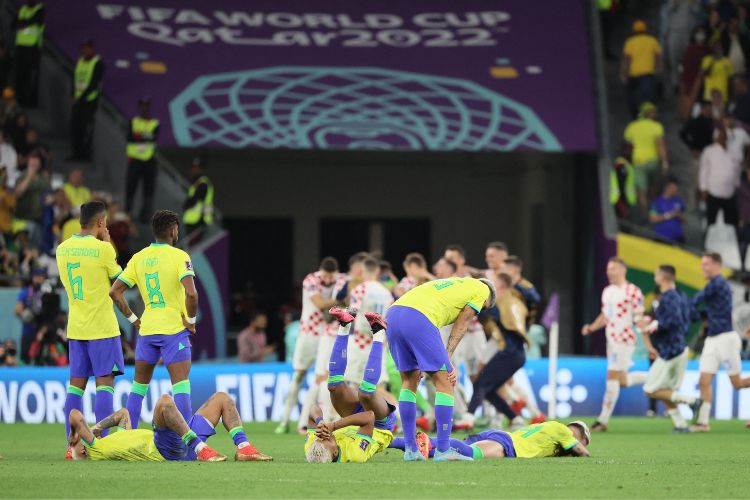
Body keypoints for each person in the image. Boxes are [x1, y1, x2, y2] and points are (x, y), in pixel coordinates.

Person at [386, 275, 496, 461]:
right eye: (483, 308)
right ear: (488, 299)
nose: (479, 312)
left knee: (409, 380)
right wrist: (448, 358)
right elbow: (462, 323)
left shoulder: (458, 283)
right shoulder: (482, 289)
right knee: (445, 381)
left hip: (393, 315)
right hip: (418, 317)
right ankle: (443, 450)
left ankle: (411, 450)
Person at [110, 210, 198, 425]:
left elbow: (114, 291)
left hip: (147, 330)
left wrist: (133, 320)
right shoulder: (180, 256)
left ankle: (126, 440)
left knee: (138, 388)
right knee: (181, 386)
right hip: (173, 330)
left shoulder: (139, 258)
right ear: (173, 230)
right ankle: (187, 446)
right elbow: (192, 293)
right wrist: (191, 321)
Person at [55, 201, 123, 457]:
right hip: (103, 328)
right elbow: (120, 281)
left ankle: (71, 446)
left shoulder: (62, 249)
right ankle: (100, 445)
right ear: (101, 222)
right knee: (104, 386)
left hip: (76, 328)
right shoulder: (102, 250)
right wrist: (107, 243)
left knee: (75, 387)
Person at [304, 308, 396, 463]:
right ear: (334, 453)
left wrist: (320, 422)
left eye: (318, 438)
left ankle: (344, 325)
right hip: (379, 424)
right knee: (365, 393)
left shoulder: (313, 447)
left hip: (352, 416)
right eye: (327, 439)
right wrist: (332, 425)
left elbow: (313, 410)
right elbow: (369, 416)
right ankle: (379, 331)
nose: (323, 436)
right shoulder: (354, 455)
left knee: (334, 387)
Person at [68, 392, 272, 462]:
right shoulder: (95, 450)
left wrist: (98, 427)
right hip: (165, 449)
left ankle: (243, 447)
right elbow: (74, 415)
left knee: (221, 399)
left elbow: (123, 414)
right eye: (78, 442)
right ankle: (200, 448)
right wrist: (73, 435)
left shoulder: (111, 442)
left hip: (179, 441)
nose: (80, 438)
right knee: (164, 402)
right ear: (83, 448)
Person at [275, 257, 341, 434]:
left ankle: (309, 422)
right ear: (320, 271)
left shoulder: (340, 280)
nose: (328, 280)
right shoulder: (311, 280)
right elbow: (319, 304)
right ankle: (284, 420)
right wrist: (341, 299)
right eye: (325, 276)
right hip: (308, 334)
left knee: (322, 378)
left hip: (328, 335)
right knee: (299, 376)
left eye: (331, 277)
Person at [581, 257, 647, 432]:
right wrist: (591, 328)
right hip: (611, 339)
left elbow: (639, 317)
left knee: (611, 377)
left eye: (613, 269)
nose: (609, 272)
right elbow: (605, 316)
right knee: (622, 381)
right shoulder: (607, 291)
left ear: (623, 270)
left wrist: (648, 340)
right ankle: (652, 377)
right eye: (608, 269)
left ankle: (602, 420)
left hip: (623, 340)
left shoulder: (633, 291)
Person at [690, 252, 750, 432]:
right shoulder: (714, 288)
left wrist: (685, 308)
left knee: (737, 384)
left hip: (726, 339)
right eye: (702, 264)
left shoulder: (718, 283)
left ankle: (702, 422)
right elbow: (706, 312)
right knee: (704, 381)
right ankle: (703, 423)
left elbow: (697, 300)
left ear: (717, 265)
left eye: (706, 264)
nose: (703, 268)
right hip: (712, 339)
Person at [639, 265, 700, 432]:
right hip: (678, 347)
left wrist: (655, 324)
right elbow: (691, 318)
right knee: (664, 390)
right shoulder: (680, 295)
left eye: (656, 273)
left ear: (663, 277)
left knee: (649, 389)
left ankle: (692, 401)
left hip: (670, 351)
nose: (654, 276)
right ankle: (681, 424)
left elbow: (673, 320)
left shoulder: (668, 297)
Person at [467, 273, 529, 429]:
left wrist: (483, 360)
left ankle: (468, 417)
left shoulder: (500, 304)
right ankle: (515, 419)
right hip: (518, 353)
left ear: (500, 287)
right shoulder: (517, 302)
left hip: (509, 352)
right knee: (489, 389)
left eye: (494, 285)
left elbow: (496, 331)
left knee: (481, 383)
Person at [390, 421, 591, 460]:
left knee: (461, 451)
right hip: (508, 444)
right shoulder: (563, 431)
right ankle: (423, 444)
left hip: (499, 436)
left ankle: (395, 442)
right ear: (579, 435)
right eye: (582, 440)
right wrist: (583, 450)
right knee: (471, 454)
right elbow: (582, 453)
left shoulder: (550, 428)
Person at [345, 256, 394, 383]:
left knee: (357, 383)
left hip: (362, 341)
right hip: (379, 342)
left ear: (362, 270)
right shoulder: (386, 293)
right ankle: (395, 404)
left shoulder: (360, 289)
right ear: (377, 272)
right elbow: (390, 318)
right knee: (378, 384)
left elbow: (351, 314)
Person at [624, 102, 669, 209]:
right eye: (654, 112)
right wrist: (664, 161)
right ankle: (653, 207)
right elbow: (661, 145)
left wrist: (627, 160)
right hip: (654, 161)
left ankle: (645, 211)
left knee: (641, 189)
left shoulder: (631, 127)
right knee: (654, 186)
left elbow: (627, 147)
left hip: (638, 161)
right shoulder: (657, 126)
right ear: (649, 113)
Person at [124, 98, 159, 223]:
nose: (144, 108)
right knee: (130, 188)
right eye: (142, 105)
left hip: (149, 161)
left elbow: (154, 137)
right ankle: (127, 213)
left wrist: (138, 135)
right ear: (139, 107)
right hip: (134, 160)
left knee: (148, 190)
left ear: (149, 107)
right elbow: (129, 136)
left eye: (146, 106)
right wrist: (145, 136)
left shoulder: (154, 123)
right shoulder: (133, 122)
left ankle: (145, 216)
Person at [70, 39, 103, 160]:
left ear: (92, 48)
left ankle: (85, 154)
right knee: (75, 127)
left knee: (86, 129)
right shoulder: (80, 61)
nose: (84, 50)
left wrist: (79, 98)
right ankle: (76, 153)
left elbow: (94, 84)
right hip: (78, 101)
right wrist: (72, 94)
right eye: (83, 48)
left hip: (89, 101)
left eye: (87, 47)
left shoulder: (97, 63)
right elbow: (74, 79)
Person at [621, 20, 662, 118]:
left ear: (634, 30)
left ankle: (635, 116)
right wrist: (658, 68)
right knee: (648, 98)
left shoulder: (630, 42)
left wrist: (623, 74)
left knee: (631, 97)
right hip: (648, 73)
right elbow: (659, 56)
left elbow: (626, 59)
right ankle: (649, 117)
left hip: (633, 74)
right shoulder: (652, 40)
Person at [700, 127, 740, 227]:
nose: (723, 139)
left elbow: (736, 171)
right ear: (717, 138)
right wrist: (703, 188)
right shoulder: (709, 151)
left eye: (725, 137)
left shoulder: (733, 153)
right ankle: (708, 237)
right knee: (712, 219)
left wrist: (736, 184)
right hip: (713, 191)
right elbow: (704, 170)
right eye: (721, 137)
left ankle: (733, 238)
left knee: (731, 220)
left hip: (729, 192)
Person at [14, 0, 44, 107]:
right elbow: (13, 23)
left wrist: (22, 22)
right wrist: (21, 22)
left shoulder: (39, 10)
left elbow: (34, 20)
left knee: (30, 77)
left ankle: (29, 102)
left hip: (33, 48)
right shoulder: (23, 9)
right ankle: (18, 99)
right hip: (20, 46)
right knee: (19, 74)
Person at [14, 267, 46, 363]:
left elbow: (51, 313)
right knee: (25, 358)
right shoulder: (26, 291)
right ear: (33, 278)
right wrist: (24, 314)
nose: (39, 279)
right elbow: (17, 309)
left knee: (40, 359)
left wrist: (43, 330)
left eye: (41, 277)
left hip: (41, 330)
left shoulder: (46, 292)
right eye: (37, 277)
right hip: (28, 330)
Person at [680, 27, 711, 120]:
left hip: (706, 80)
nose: (701, 36)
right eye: (698, 33)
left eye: (702, 33)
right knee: (693, 100)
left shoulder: (707, 49)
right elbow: (687, 66)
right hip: (693, 79)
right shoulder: (691, 49)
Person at [182, 158, 213, 237]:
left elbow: (195, 200)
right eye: (193, 168)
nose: (194, 170)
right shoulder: (197, 183)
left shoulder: (203, 184)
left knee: (193, 247)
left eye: (197, 168)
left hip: (198, 221)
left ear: (201, 169)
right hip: (193, 220)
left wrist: (186, 204)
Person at [650, 178, 686, 243]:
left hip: (678, 238)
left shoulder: (678, 201)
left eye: (676, 189)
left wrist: (678, 215)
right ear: (667, 187)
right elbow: (653, 219)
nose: (674, 191)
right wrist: (669, 215)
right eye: (672, 188)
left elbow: (685, 219)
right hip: (661, 237)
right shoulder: (656, 202)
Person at [610, 144, 637, 219]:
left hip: (625, 201)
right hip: (620, 201)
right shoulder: (622, 165)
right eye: (628, 149)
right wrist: (622, 206)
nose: (631, 152)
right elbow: (620, 185)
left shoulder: (626, 164)